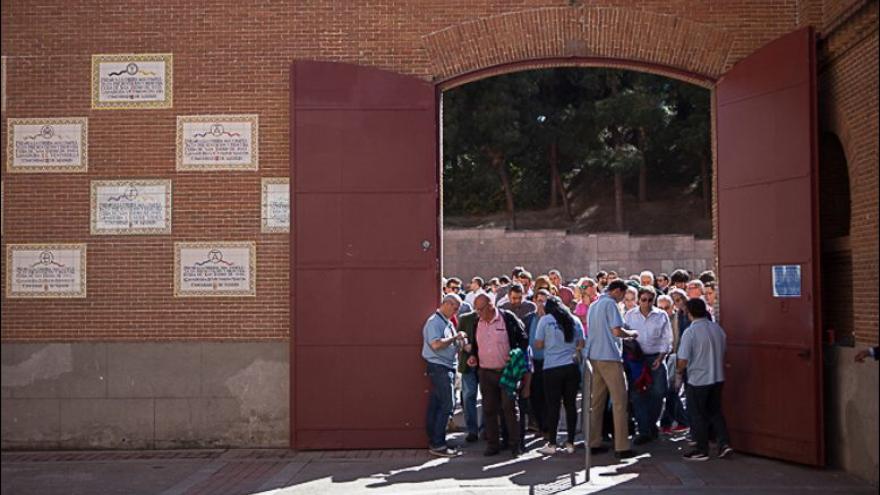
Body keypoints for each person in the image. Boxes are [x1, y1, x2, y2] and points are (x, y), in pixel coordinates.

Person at [469, 294, 531, 457]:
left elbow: (524, 340)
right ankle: (493, 445)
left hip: (506, 372)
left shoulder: (507, 318)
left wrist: (516, 354)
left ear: (491, 305)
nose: (478, 312)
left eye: (480, 309)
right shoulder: (477, 322)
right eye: (476, 309)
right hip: (485, 372)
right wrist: (473, 355)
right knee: (489, 410)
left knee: (509, 409)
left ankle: (515, 445)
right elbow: (475, 344)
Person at [584, 280, 639, 459]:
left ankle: (593, 442)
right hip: (609, 356)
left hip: (594, 356)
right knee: (619, 402)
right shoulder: (611, 304)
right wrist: (631, 334)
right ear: (617, 291)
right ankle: (622, 446)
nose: (623, 299)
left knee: (596, 403)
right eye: (623, 295)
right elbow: (617, 331)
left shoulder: (594, 305)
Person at [676, 298, 733, 461]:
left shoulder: (690, 332)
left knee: (697, 414)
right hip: (717, 376)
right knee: (716, 412)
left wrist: (679, 372)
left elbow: (683, 359)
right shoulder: (717, 329)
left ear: (690, 313)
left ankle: (701, 449)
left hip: (698, 379)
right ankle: (724, 444)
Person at [534, 296, 586, 455]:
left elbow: (538, 344)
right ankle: (570, 442)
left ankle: (552, 443)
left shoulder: (545, 320)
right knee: (570, 405)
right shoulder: (574, 320)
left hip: (552, 367)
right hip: (571, 366)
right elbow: (582, 342)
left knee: (553, 406)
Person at [624, 286, 672, 445]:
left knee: (658, 392)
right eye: (644, 300)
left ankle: (651, 425)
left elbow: (667, 338)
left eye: (650, 300)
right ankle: (644, 430)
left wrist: (661, 356)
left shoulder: (661, 315)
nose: (647, 303)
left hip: (655, 357)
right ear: (639, 300)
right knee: (637, 395)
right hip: (636, 359)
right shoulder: (630, 316)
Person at [422, 294, 467, 457]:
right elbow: (435, 344)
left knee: (437, 404)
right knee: (448, 404)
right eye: (455, 308)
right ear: (447, 304)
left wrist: (459, 343)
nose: (456, 312)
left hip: (445, 366)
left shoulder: (445, 322)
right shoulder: (435, 321)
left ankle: (434, 439)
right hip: (439, 366)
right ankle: (438, 443)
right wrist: (455, 337)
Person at [456, 307, 482, 443]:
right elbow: (458, 338)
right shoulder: (465, 318)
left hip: (485, 363)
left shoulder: (492, 318)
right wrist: (464, 346)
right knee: (468, 396)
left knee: (487, 397)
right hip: (468, 363)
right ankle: (472, 430)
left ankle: (485, 429)